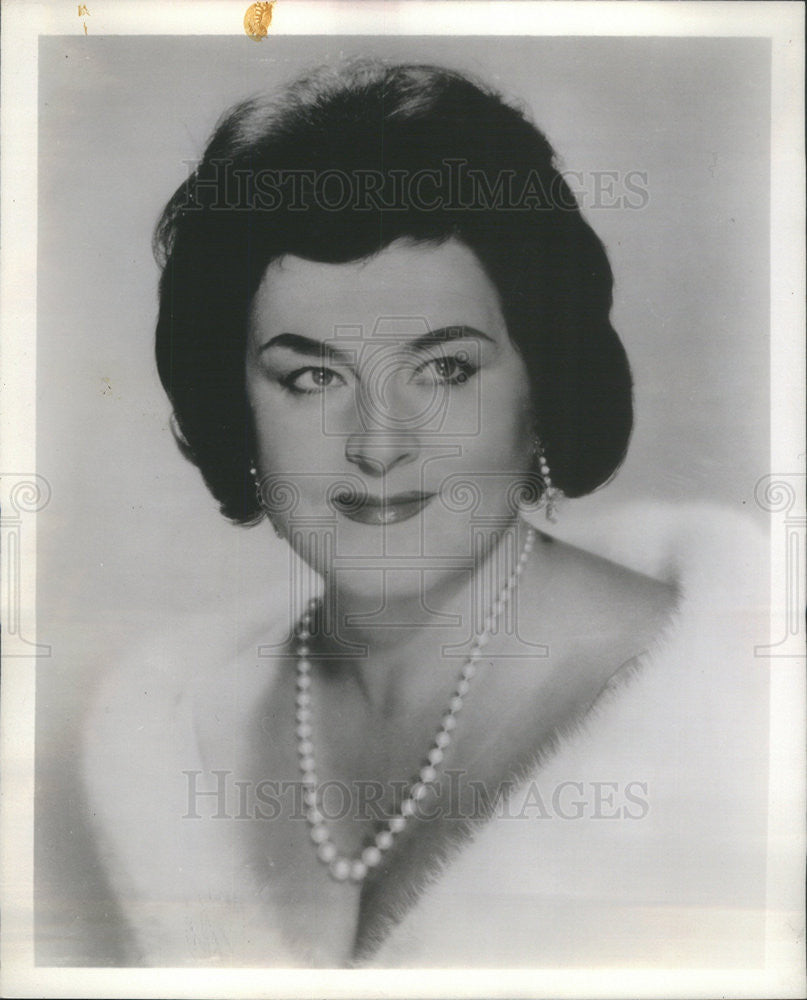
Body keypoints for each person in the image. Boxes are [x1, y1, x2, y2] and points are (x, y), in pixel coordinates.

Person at [82, 61, 768, 967]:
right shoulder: (171, 738)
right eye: (312, 377)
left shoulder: (734, 715)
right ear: (234, 405)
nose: (377, 444)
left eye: (444, 370)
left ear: (544, 382)